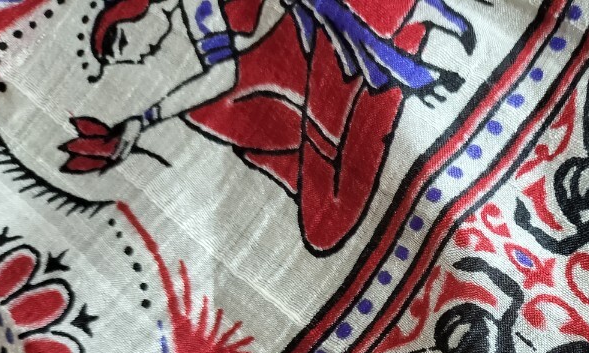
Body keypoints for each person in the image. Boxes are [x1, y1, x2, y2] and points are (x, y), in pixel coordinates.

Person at [72, 0, 476, 251]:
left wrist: (144, 119)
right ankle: (401, 49)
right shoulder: (195, 15)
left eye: (122, 46)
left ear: (130, 14)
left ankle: (403, 53)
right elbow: (226, 72)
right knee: (324, 223)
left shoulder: (197, 9)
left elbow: (223, 74)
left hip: (330, 36)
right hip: (319, 53)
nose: (136, 57)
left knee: (330, 219)